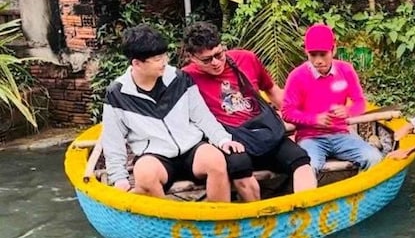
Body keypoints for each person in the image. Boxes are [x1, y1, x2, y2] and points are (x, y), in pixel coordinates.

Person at [99, 24, 244, 202]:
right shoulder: (117, 94)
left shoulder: (179, 78)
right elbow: (113, 142)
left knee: (216, 160)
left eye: (164, 56)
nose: (165, 62)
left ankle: (218, 220)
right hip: (154, 155)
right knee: (144, 174)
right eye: (158, 59)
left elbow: (203, 117)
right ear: (137, 63)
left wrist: (222, 139)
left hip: (192, 148)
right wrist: (119, 179)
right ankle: (168, 224)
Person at [182, 22, 317, 201]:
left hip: (264, 132)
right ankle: (258, 218)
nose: (215, 63)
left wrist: (302, 118)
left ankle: (307, 211)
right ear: (192, 57)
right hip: (231, 140)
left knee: (301, 160)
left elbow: (273, 91)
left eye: (218, 55)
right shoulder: (186, 78)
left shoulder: (245, 59)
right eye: (207, 60)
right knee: (240, 169)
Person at [282, 24, 384, 172]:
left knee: (374, 158)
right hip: (309, 138)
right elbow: (287, 112)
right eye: (313, 55)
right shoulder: (297, 76)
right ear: (306, 52)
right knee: (308, 169)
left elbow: (359, 102)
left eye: (323, 54)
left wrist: (348, 111)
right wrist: (314, 119)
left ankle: (363, 193)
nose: (318, 61)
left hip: (341, 134)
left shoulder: (346, 70)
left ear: (333, 50)